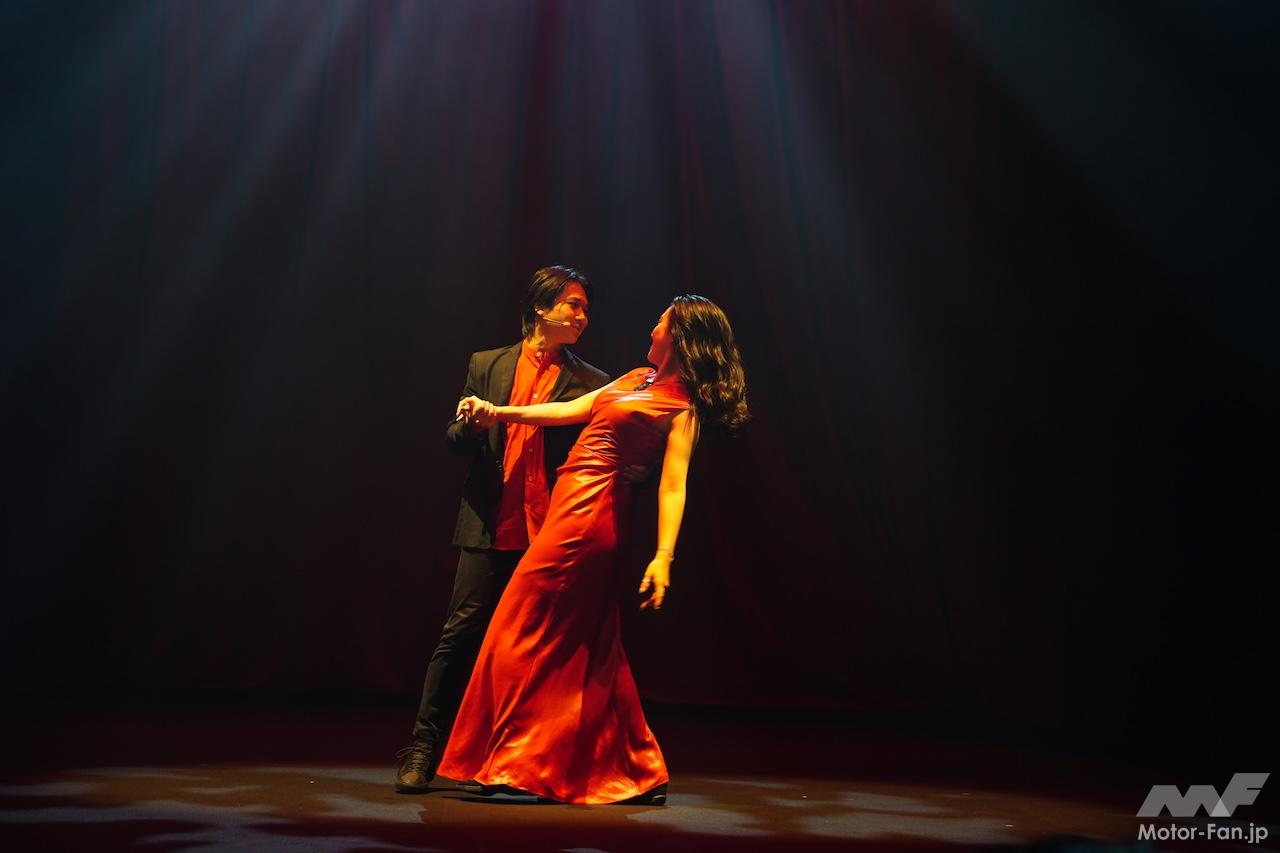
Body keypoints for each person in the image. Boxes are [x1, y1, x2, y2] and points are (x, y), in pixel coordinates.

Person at [436, 294, 749, 805]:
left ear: (678, 337)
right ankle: (633, 767)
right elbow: (571, 409)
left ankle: (513, 761)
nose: (652, 328)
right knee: (588, 643)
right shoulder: (635, 379)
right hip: (571, 501)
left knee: (520, 628)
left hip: (592, 515)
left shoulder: (682, 407)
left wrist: (663, 556)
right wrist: (498, 412)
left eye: (660, 322)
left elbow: (673, 484)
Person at [395, 266, 615, 793]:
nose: (582, 317)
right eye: (573, 305)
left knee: (539, 651)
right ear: (541, 307)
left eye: (585, 309)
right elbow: (456, 441)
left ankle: (518, 764)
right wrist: (472, 426)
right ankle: (423, 749)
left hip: (550, 533)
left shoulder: (592, 382)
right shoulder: (487, 364)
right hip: (491, 524)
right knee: (459, 637)